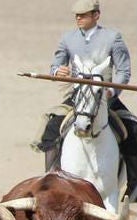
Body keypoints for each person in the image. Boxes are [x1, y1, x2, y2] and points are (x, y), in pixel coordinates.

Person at [35, 0, 137, 199]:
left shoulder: (113, 38)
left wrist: (110, 93)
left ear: (96, 15)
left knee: (133, 129)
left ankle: (134, 183)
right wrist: (59, 71)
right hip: (78, 97)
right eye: (77, 16)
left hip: (106, 96)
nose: (79, 19)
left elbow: (123, 72)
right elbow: (56, 65)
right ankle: (50, 179)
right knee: (51, 127)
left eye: (84, 15)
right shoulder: (68, 39)